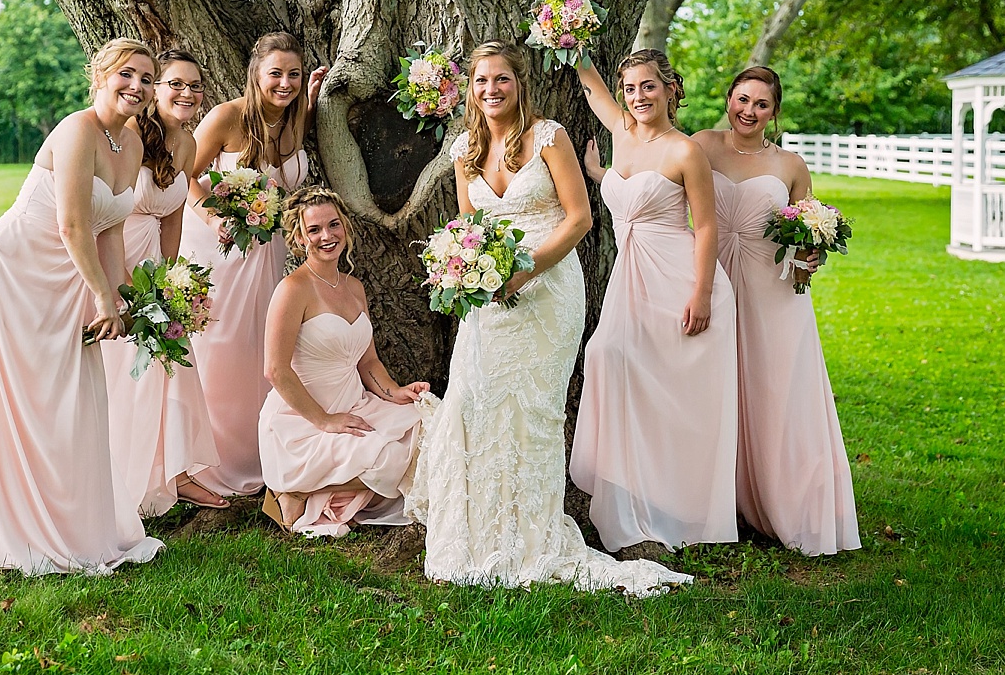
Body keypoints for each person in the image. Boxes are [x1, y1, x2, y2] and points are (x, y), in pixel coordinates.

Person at [407, 40, 691, 595]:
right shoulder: (464, 149)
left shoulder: (550, 136)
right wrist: (469, 272)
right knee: (473, 403)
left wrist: (525, 270)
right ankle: (481, 532)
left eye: (502, 80)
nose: (492, 90)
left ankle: (532, 536)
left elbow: (580, 218)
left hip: (549, 286)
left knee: (531, 412)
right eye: (482, 80)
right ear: (471, 89)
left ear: (520, 84)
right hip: (487, 296)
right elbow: (470, 227)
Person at [0, 38, 165, 575]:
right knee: (14, 402)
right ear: (101, 75)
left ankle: (72, 526)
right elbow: (72, 224)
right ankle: (5, 527)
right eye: (126, 74)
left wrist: (129, 298)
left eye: (146, 79)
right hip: (10, 275)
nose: (137, 86)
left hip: (68, 282)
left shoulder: (130, 145)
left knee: (70, 402)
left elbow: (109, 226)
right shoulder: (77, 130)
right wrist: (102, 294)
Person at [570, 50, 739, 552]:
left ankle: (681, 508)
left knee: (677, 398)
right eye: (630, 89)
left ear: (669, 89)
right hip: (631, 281)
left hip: (679, 279)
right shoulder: (621, 132)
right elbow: (591, 86)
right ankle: (628, 494)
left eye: (648, 87)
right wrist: (567, 33)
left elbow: (704, 225)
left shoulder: (686, 152)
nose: (638, 97)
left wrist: (702, 293)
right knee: (608, 357)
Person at [691, 66, 861, 556]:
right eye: (742, 100)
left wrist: (812, 256)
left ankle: (785, 502)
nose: (749, 111)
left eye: (761, 104)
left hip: (772, 293)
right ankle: (717, 499)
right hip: (714, 281)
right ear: (728, 99)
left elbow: (808, 231)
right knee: (712, 386)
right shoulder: (701, 145)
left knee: (776, 391)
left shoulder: (790, 165)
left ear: (774, 112)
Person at [179, 32, 326, 496]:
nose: (285, 83)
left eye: (294, 74)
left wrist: (312, 97)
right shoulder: (227, 117)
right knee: (219, 351)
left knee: (258, 351)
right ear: (255, 75)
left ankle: (258, 452)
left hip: (269, 255)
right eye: (275, 74)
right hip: (221, 250)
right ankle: (205, 463)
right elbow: (183, 176)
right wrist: (218, 217)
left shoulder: (294, 120)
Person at [258, 187, 429, 536]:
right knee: (385, 457)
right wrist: (325, 420)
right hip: (303, 419)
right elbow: (275, 369)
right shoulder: (293, 289)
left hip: (356, 404)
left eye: (333, 225)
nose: (326, 236)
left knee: (427, 427)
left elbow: (367, 362)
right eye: (315, 230)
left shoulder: (354, 287)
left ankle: (317, 492)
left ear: (346, 229)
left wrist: (395, 392)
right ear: (299, 237)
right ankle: (296, 489)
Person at [100, 50, 228, 515]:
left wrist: (170, 281)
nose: (187, 94)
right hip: (118, 253)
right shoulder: (130, 135)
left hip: (154, 260)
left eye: (195, 86)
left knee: (170, 366)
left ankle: (173, 472)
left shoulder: (188, 144)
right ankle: (117, 471)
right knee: (124, 369)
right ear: (155, 90)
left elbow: (173, 217)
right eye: (176, 84)